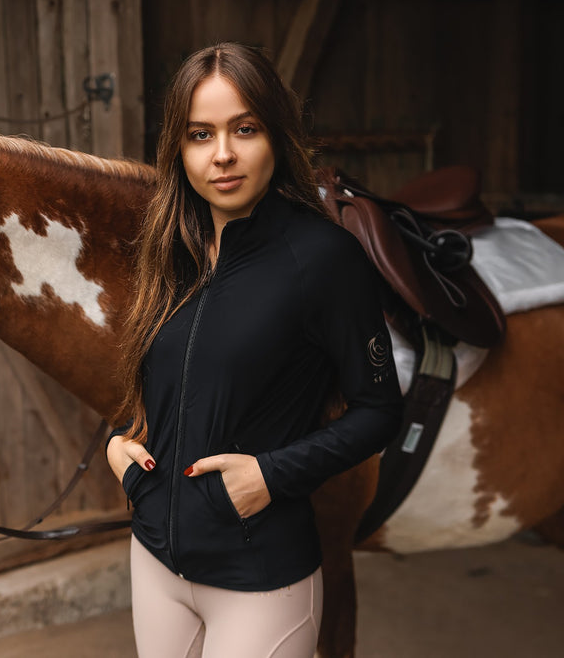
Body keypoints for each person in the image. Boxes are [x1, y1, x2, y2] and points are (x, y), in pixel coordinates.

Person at [106, 42, 403, 658]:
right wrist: (119, 445)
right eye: (199, 134)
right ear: (177, 148)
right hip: (154, 563)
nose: (222, 155)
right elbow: (166, 379)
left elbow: (380, 411)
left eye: (244, 129)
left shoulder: (324, 260)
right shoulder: (169, 253)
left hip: (259, 580)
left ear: (276, 136)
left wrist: (269, 474)